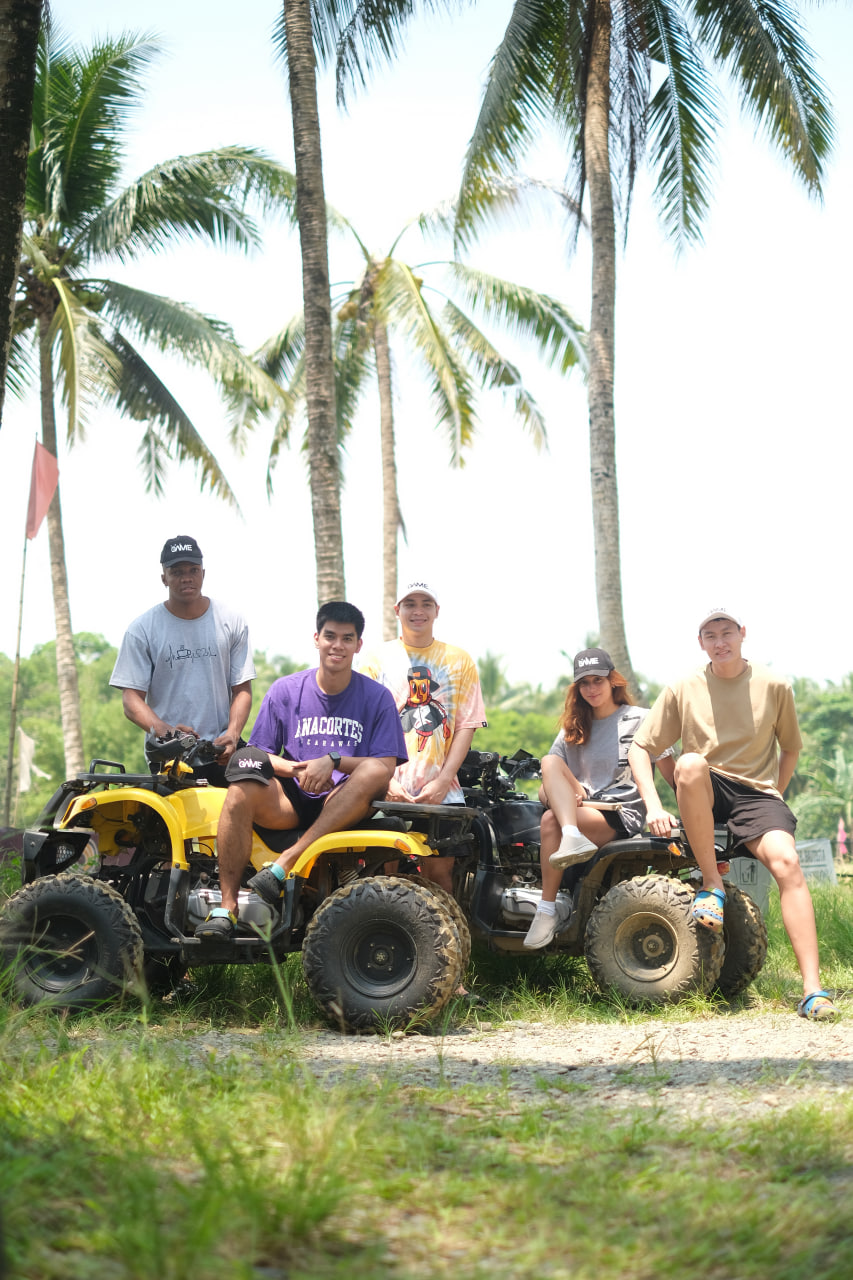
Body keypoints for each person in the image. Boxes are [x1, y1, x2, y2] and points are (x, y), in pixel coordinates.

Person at [628, 607, 838, 1020]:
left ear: (742, 634)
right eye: (710, 635)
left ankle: (813, 990)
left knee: (789, 864)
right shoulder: (683, 686)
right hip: (703, 784)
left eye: (727, 632)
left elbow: (791, 747)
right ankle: (712, 885)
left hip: (756, 794)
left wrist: (774, 792)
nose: (719, 641)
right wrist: (653, 804)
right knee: (688, 763)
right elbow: (641, 747)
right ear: (701, 642)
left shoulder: (775, 685)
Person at [198, 601, 407, 939]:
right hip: (291, 798)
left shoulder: (377, 697)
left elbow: (385, 765)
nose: (337, 646)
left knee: (373, 772)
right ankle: (227, 907)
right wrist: (297, 770)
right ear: (316, 638)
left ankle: (288, 860)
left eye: (346, 639)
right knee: (240, 786)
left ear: (358, 645)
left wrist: (333, 761)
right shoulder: (286, 690)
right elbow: (261, 753)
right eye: (330, 636)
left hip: (344, 799)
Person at [524, 647, 674, 949]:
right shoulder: (573, 726)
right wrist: (567, 794)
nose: (591, 688)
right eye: (584, 683)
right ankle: (569, 840)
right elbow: (544, 789)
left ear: (613, 681)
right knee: (549, 763)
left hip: (619, 813)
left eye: (597, 680)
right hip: (579, 810)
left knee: (551, 821)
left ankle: (546, 910)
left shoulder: (640, 719)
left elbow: (673, 773)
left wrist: (671, 811)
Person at [360, 578, 487, 894]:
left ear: (437, 611)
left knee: (440, 877)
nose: (418, 611)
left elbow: (466, 725)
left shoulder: (459, 660)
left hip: (442, 790)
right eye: (410, 604)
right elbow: (363, 727)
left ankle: (446, 941)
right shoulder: (375, 660)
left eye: (425, 604)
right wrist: (384, 782)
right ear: (397, 610)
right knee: (384, 876)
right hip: (384, 787)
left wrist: (443, 781)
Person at [110, 536, 255, 783]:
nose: (186, 577)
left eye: (193, 570)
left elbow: (242, 689)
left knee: (256, 801)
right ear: (163, 578)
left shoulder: (231, 621)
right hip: (171, 754)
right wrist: (166, 732)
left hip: (223, 750)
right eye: (176, 571)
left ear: (203, 573)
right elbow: (130, 699)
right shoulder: (143, 629)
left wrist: (232, 734)